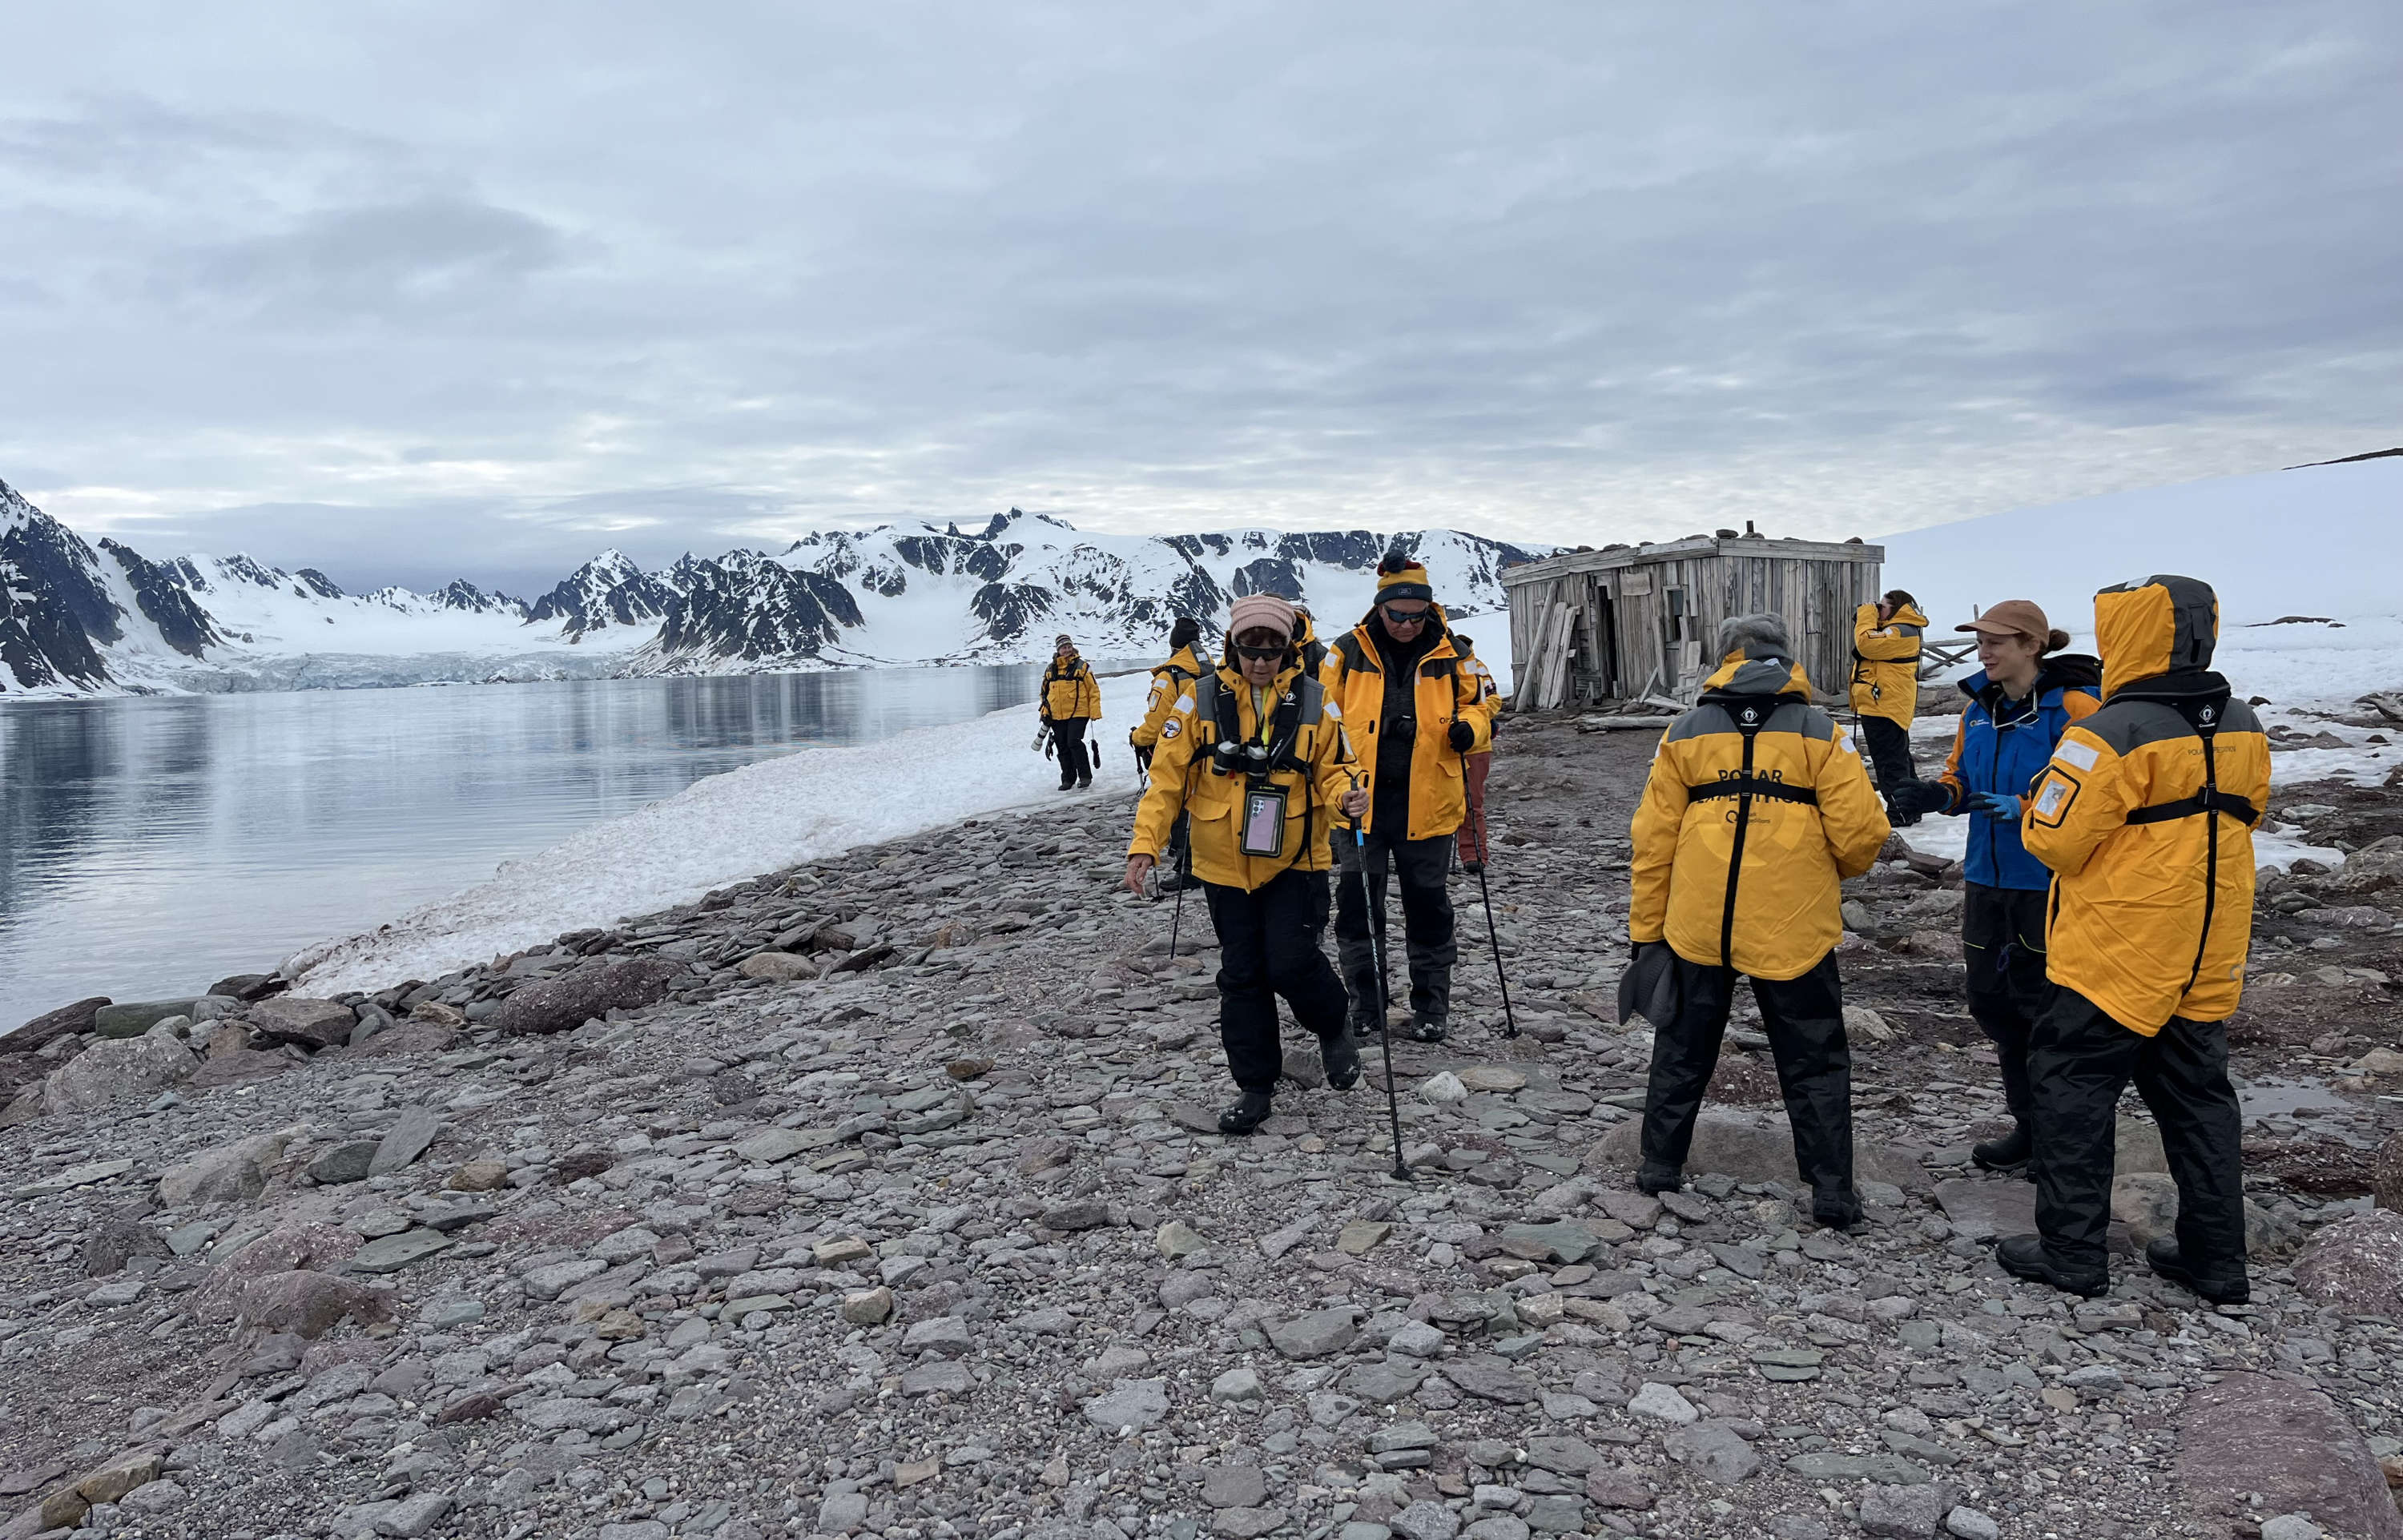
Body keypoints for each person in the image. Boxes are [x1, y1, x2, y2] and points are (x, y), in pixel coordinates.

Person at [1997, 576, 2268, 1303]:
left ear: (2125, 635)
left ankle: (2072, 1252)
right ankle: (2218, 1261)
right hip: (2206, 943)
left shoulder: (2107, 732)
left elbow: (2054, 839)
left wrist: (2036, 802)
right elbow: (2253, 810)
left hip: (2118, 946)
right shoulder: (2241, 719)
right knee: (2199, 1098)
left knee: (2072, 1087)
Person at [1628, 613, 1891, 1227]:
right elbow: (1861, 835)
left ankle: (1660, 1164)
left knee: (1682, 1047)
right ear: (1785, 656)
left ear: (1725, 658)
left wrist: (1646, 932)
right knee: (1814, 1058)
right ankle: (1832, 1192)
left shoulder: (1684, 731)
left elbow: (1652, 841)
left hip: (1699, 924)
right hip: (1792, 925)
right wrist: (1819, 869)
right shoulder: (1821, 731)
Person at [1123, 594, 1370, 1134]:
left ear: (1287, 649)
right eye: (1250, 649)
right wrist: (1146, 844)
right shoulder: (1196, 701)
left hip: (1296, 860)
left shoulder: (1317, 701)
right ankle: (1256, 1086)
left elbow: (1339, 767)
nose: (1260, 661)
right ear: (1233, 646)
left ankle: (1333, 1025)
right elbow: (1166, 780)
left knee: (1291, 962)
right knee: (1242, 975)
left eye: (1271, 650)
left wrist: (1347, 796)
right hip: (1221, 865)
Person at [1886, 601, 2099, 1173]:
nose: (1984, 652)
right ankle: (2028, 1127)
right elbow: (1961, 778)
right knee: (1995, 1004)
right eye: (1980, 641)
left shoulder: (2075, 708)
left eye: (1995, 642)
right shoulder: (1978, 710)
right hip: (1986, 879)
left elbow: (2091, 792)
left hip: (2048, 883)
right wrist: (1938, 794)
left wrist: (2024, 807)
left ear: (2031, 645)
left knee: (2047, 1012)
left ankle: (2059, 1140)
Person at [1323, 555, 1498, 1042]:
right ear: (1380, 608)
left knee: (1428, 908)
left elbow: (1483, 702)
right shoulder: (1346, 652)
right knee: (1359, 908)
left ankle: (1430, 1007)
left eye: (1416, 617)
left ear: (1429, 610)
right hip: (1359, 806)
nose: (1406, 625)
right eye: (1397, 615)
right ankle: (1366, 1005)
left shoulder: (1455, 652)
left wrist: (1471, 728)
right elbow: (1323, 714)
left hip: (1429, 802)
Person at [1132, 618, 1207, 883]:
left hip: (1178, 749)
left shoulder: (1170, 677)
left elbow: (1156, 723)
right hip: (1209, 751)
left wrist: (1137, 738)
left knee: (1177, 801)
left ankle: (1187, 867)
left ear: (1174, 645)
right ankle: (1204, 861)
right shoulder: (1212, 671)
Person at [1850, 589, 1929, 825]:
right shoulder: (1898, 629)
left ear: (1896, 609)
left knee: (1889, 763)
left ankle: (1900, 813)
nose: (1878, 611)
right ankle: (1912, 807)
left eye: (1882, 607)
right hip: (1885, 703)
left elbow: (1866, 645)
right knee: (1899, 758)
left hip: (1884, 705)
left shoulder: (1900, 631)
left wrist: (1866, 615)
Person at [1451, 633, 1504, 874]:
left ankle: (1473, 854)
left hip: (1475, 747)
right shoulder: (1431, 670)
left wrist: (1472, 721)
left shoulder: (1476, 668)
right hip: (1438, 746)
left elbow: (1493, 700)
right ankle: (1431, 856)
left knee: (1471, 802)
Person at [1040, 635, 1102, 791]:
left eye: (1069, 647)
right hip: (1057, 715)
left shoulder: (1082, 666)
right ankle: (1068, 779)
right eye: (1063, 647)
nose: (1067, 650)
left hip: (1079, 712)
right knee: (1062, 746)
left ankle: (1085, 777)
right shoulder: (1050, 669)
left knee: (1073, 741)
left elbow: (1093, 690)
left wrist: (1095, 711)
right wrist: (1045, 712)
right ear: (1058, 650)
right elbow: (1044, 694)